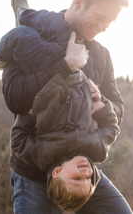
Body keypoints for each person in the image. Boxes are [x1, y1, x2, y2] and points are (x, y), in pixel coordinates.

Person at [0, 0, 133, 213]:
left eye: (110, 22)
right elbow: (15, 99)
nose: (104, 27)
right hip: (33, 172)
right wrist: (65, 66)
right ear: (79, 1)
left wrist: (101, 103)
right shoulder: (29, 42)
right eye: (101, 17)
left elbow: (118, 109)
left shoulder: (100, 55)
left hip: (82, 173)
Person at [10, 67, 120, 211]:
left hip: (49, 86)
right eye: (88, 180)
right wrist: (102, 107)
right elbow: (111, 129)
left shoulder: (43, 155)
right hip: (81, 82)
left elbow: (18, 142)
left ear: (57, 172)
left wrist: (28, 115)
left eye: (77, 179)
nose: (86, 174)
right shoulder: (97, 151)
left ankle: (5, 54)